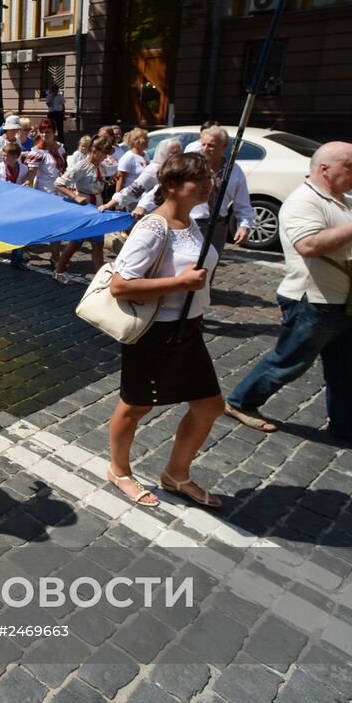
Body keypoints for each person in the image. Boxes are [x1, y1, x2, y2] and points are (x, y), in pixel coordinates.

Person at [225, 142, 352, 451]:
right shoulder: (303, 202)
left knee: (350, 367)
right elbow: (309, 245)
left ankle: (348, 425)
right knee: (290, 362)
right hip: (313, 301)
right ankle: (240, 401)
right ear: (324, 169)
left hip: (351, 301)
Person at [105, 154, 224, 509]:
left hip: (189, 330)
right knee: (135, 406)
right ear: (171, 186)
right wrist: (180, 282)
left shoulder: (189, 221)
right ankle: (119, 470)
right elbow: (120, 285)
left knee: (209, 406)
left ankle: (176, 473)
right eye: (197, 179)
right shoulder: (153, 228)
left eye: (208, 178)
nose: (207, 184)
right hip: (156, 334)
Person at [137, 126, 253, 253]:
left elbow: (242, 202)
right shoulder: (191, 166)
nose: (205, 149)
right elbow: (164, 188)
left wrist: (244, 225)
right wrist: (143, 206)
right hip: (190, 223)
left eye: (211, 145)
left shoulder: (234, 170)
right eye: (203, 144)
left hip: (218, 227)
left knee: (210, 265)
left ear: (224, 146)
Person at [53, 135, 111, 283]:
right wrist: (76, 197)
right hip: (84, 209)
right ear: (94, 150)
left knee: (98, 243)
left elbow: (99, 185)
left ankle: (99, 278)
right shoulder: (80, 166)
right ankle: (59, 270)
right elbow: (59, 183)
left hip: (97, 208)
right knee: (76, 243)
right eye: (103, 153)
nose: (105, 157)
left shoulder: (101, 167)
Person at [115, 128, 150, 193]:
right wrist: (118, 199)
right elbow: (120, 179)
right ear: (136, 141)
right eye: (145, 138)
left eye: (147, 138)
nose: (148, 140)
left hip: (143, 197)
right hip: (131, 199)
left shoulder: (146, 155)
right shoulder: (128, 157)